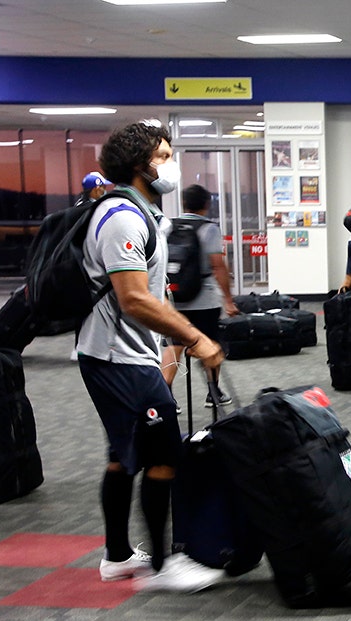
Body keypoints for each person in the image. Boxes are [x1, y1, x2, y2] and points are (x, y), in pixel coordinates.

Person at [78, 120, 225, 593]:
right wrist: (197, 337)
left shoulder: (145, 214)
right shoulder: (121, 216)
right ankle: (164, 565)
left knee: (123, 457)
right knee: (164, 454)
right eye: (163, 156)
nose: (171, 164)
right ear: (139, 164)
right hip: (115, 356)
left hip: (125, 354)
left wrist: (171, 344)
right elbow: (134, 299)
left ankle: (117, 556)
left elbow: (153, 295)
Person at [168, 184, 238, 408]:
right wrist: (228, 300)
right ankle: (213, 392)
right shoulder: (209, 229)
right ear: (207, 204)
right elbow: (217, 266)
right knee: (210, 343)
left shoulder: (168, 226)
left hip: (175, 299)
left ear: (183, 203)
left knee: (174, 346)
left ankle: (166, 398)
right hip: (204, 300)